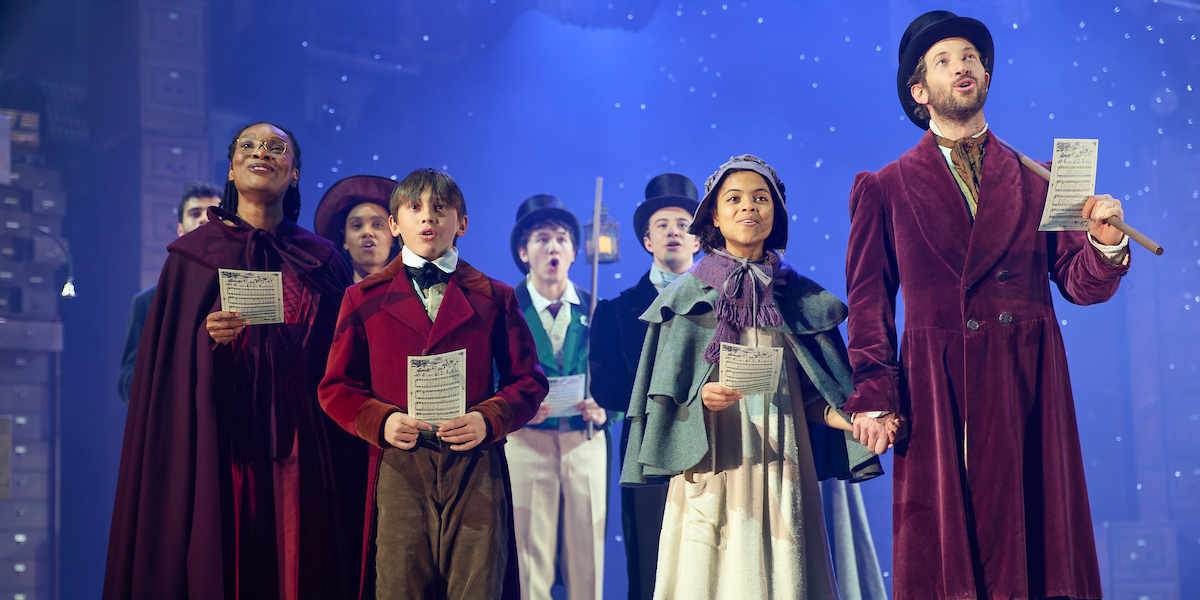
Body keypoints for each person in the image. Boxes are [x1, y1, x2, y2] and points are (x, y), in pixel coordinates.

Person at [842, 11, 1130, 600]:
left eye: (970, 57)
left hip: (1026, 376)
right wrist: (873, 398)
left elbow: (1080, 285)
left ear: (987, 76)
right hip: (938, 382)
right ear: (919, 93)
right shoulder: (886, 186)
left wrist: (1104, 242)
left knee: (1035, 546)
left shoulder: (1044, 180)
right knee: (950, 551)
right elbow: (869, 303)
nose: (962, 66)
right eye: (944, 61)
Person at [104, 122, 366, 600]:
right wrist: (204, 340)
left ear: (296, 173)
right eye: (248, 145)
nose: (261, 152)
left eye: (276, 147)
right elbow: (159, 373)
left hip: (303, 445)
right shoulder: (191, 258)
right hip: (219, 441)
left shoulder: (323, 259)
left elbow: (346, 358)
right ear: (230, 167)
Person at [621, 155, 884, 600]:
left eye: (761, 198)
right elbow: (663, 399)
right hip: (713, 463)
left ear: (776, 213)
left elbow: (816, 394)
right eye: (735, 199)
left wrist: (855, 418)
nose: (749, 207)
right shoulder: (684, 298)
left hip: (783, 465)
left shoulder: (800, 297)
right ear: (715, 217)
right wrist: (702, 396)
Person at [319, 167, 547, 599]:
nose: (428, 219)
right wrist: (381, 421)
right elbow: (335, 388)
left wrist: (489, 418)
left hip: (475, 462)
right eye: (415, 208)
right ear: (395, 224)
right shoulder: (362, 297)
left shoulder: (494, 296)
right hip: (401, 463)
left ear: (461, 223)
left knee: (477, 585)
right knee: (399, 583)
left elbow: (529, 381)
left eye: (441, 209)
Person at [590, 173, 700, 600]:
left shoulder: (729, 303)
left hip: (718, 449)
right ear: (647, 241)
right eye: (662, 225)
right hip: (646, 453)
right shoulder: (617, 312)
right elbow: (609, 390)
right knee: (652, 568)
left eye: (684, 224)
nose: (674, 231)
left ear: (698, 240)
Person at [507, 194, 608, 600]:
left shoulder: (596, 307)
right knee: (531, 554)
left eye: (563, 239)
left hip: (583, 438)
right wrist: (516, 409)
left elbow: (618, 378)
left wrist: (605, 409)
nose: (553, 247)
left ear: (573, 252)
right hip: (526, 441)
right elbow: (488, 377)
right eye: (542, 238)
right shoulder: (505, 308)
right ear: (523, 251)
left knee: (589, 551)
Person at [116, 181, 220, 402]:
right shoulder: (147, 301)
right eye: (195, 213)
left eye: (213, 213)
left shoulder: (238, 290)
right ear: (180, 230)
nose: (204, 219)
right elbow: (128, 382)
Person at [314, 174, 399, 283]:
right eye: (357, 226)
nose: (367, 232)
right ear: (345, 240)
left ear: (393, 236)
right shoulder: (329, 296)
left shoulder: (417, 291)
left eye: (377, 225)